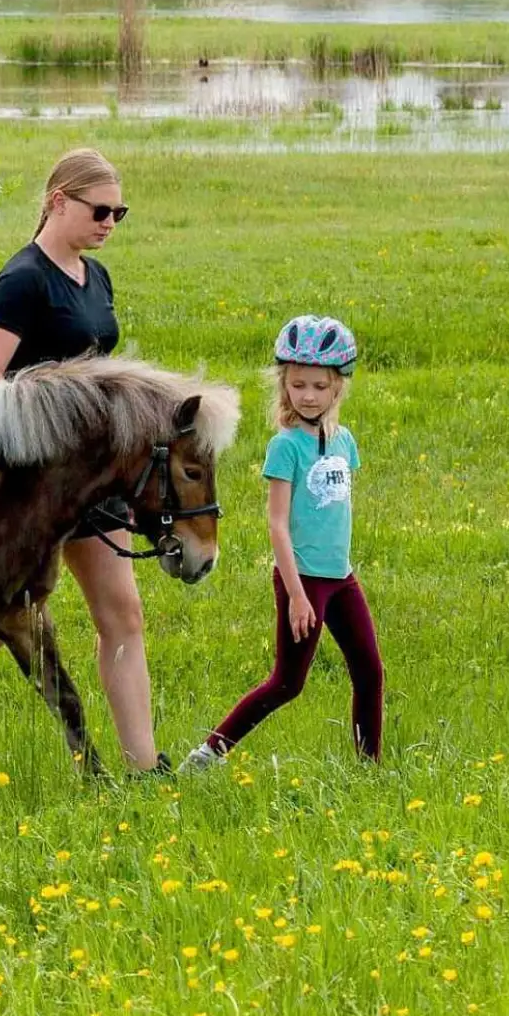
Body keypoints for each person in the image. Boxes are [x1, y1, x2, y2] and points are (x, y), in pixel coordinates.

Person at [0, 148, 166, 770]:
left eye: (119, 213)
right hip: (30, 486)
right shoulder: (22, 281)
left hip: (94, 482)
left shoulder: (96, 277)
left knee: (124, 614)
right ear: (59, 201)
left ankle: (144, 765)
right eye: (100, 210)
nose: (110, 223)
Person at [187, 317, 381, 767]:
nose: (308, 395)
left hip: (341, 578)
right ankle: (210, 752)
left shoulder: (345, 442)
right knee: (288, 683)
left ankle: (370, 768)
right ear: (284, 386)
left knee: (369, 672)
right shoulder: (286, 446)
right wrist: (296, 595)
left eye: (318, 386)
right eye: (298, 385)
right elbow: (277, 524)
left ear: (337, 388)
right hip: (303, 581)